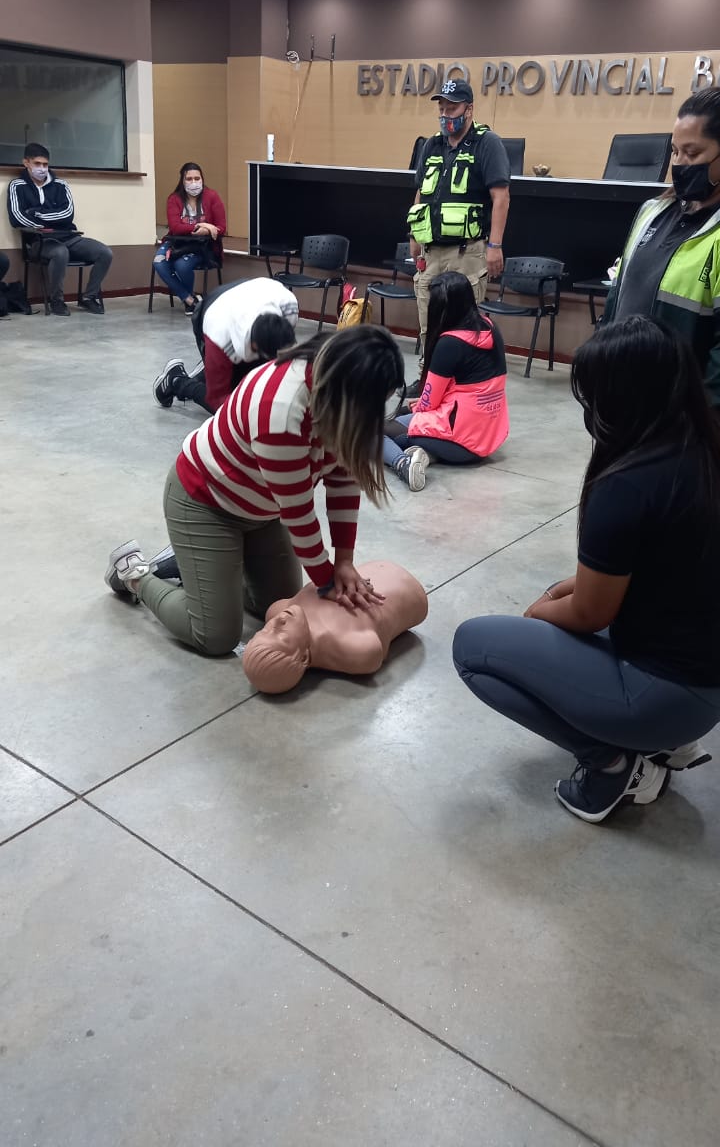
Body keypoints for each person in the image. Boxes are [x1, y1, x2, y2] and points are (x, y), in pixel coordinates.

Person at [452, 316, 720, 825]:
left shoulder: (627, 484)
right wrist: (565, 591)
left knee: (474, 648)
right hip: (702, 684)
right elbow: (657, 568)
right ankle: (662, 747)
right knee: (551, 610)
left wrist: (538, 612)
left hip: (665, 695)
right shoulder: (700, 448)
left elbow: (591, 612)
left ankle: (611, 764)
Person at [105, 326, 406, 657]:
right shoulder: (281, 408)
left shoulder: (339, 397)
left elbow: (343, 479)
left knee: (278, 604)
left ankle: (201, 564)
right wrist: (327, 582)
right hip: (206, 503)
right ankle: (134, 573)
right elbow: (299, 515)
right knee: (215, 635)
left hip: (263, 511)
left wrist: (344, 561)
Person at [603, 86, 720, 406]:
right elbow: (617, 298)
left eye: (693, 153)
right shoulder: (651, 211)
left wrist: (702, 420)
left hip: (681, 416)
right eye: (674, 151)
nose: (680, 163)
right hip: (621, 397)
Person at [406, 78, 510, 394]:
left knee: (463, 327)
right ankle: (427, 380)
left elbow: (501, 197)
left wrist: (495, 246)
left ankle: (460, 387)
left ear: (469, 109)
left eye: (452, 107)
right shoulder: (431, 145)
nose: (445, 113)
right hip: (432, 251)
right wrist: (414, 236)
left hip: (469, 253)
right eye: (442, 108)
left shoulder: (487, 142)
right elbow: (421, 194)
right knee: (429, 323)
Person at [383, 271, 509, 491]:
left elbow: (429, 403)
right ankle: (426, 454)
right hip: (488, 436)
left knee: (369, 431)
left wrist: (417, 407)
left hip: (461, 441)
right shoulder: (490, 327)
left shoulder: (450, 343)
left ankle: (403, 464)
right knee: (404, 413)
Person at [242, 560, 428, 693]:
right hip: (411, 592)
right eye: (282, 637)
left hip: (375, 567)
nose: (276, 623)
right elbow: (373, 651)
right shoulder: (350, 647)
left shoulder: (278, 611)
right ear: (304, 657)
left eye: (264, 631)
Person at [153, 276, 299, 415]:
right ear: (254, 347)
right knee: (234, 407)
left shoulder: (288, 307)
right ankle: (176, 380)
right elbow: (217, 400)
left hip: (252, 290)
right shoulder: (219, 339)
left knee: (263, 385)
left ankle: (208, 370)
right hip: (211, 310)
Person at [7, 141, 112, 316]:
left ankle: (89, 297)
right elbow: (17, 218)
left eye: (45, 164)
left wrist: (37, 213)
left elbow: (68, 214)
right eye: (37, 164)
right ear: (26, 163)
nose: (42, 168)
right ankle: (57, 301)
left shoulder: (61, 185)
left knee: (105, 252)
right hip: (38, 242)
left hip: (69, 236)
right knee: (60, 252)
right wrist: (50, 219)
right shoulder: (16, 186)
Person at [153, 162, 226, 315]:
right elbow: (175, 227)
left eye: (197, 178)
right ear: (182, 180)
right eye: (189, 179)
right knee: (158, 262)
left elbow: (221, 227)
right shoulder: (174, 199)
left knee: (182, 266)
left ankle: (189, 301)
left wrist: (207, 231)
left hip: (202, 246)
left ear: (202, 179)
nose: (194, 183)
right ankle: (189, 299)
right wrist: (202, 226)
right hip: (177, 242)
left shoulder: (212, 196)